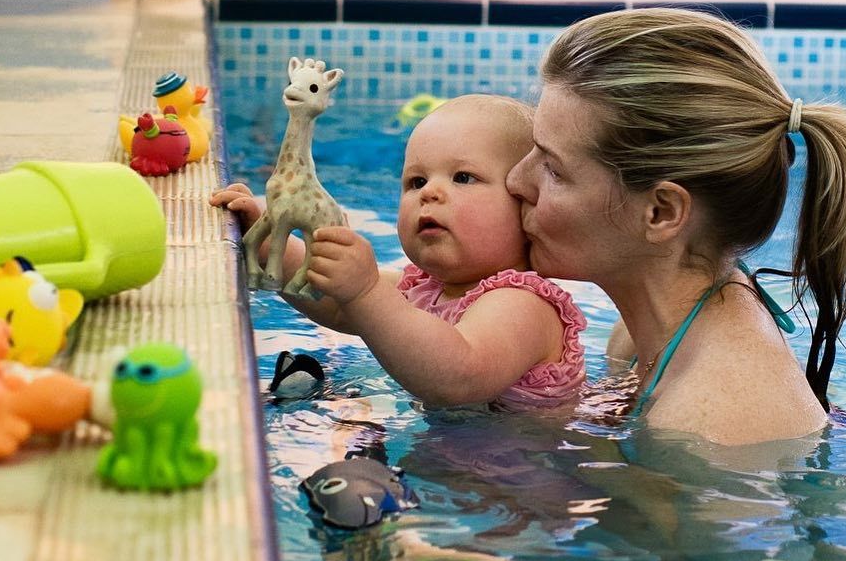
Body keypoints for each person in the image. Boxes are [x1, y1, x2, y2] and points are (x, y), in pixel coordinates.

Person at [506, 6, 846, 446]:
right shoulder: (644, 334)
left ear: (662, 213)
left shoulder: (707, 424)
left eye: (553, 169)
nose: (515, 180)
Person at [211, 94, 586, 409]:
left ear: (525, 202)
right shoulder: (426, 287)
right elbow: (343, 306)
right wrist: (266, 247)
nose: (429, 192)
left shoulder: (524, 304)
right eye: (416, 181)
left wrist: (365, 292)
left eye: (463, 177)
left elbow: (458, 378)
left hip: (524, 470)